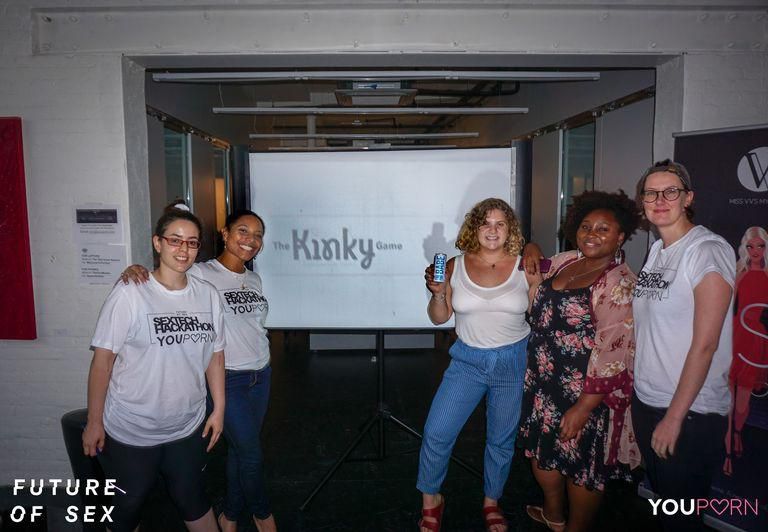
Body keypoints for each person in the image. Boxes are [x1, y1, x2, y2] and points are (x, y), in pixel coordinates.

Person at [121, 208, 277, 532]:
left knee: (240, 451)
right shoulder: (203, 273)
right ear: (225, 233)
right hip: (228, 378)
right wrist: (139, 271)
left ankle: (230, 517)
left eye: (258, 235)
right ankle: (264, 519)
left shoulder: (254, 278)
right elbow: (167, 279)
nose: (251, 240)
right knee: (252, 455)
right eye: (243, 231)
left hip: (260, 374)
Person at [82, 205, 225, 532]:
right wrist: (94, 422)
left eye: (191, 242)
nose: (183, 249)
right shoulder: (131, 293)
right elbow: (102, 361)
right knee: (129, 502)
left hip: (187, 425)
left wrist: (218, 409)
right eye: (175, 240)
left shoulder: (208, 295)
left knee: (193, 497)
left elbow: (216, 355)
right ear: (157, 243)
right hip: (132, 429)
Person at [517, 190, 641, 532]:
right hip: (544, 381)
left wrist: (584, 408)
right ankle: (553, 514)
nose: (592, 234)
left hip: (585, 391)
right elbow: (533, 268)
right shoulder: (568, 260)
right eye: (586, 226)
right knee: (543, 452)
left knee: (581, 465)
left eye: (604, 229)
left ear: (620, 236)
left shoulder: (618, 283)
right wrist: (531, 247)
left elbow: (614, 353)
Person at [418, 198, 538, 532]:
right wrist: (438, 293)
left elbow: (540, 314)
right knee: (436, 432)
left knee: (501, 438)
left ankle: (491, 501)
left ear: (509, 229)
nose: (493, 230)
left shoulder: (524, 266)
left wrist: (534, 248)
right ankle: (431, 500)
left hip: (513, 361)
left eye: (500, 223)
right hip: (467, 361)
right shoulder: (455, 265)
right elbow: (439, 318)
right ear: (475, 227)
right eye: (486, 223)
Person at [631, 159, 734, 531]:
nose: (660, 199)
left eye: (670, 191)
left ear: (687, 198)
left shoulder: (706, 250)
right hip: (649, 402)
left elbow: (706, 344)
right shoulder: (658, 251)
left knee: (681, 518)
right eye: (651, 193)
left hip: (688, 413)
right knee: (667, 507)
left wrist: (674, 417)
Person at [723, 226, 768, 475]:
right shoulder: (737, 271)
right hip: (733, 337)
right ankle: (728, 449)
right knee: (728, 400)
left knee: (743, 403)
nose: (755, 251)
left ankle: (738, 432)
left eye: (760, 246)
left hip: (757, 342)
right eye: (750, 246)